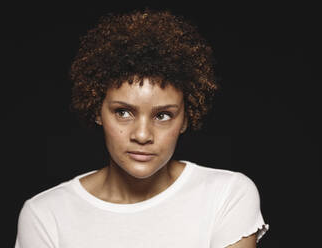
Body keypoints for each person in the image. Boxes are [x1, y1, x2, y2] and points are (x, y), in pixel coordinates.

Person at [14, 9, 269, 248]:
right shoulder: (46, 215)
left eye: (163, 115)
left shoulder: (226, 195)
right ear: (96, 111)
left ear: (186, 119)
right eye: (123, 112)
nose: (143, 135)